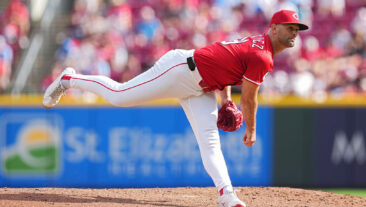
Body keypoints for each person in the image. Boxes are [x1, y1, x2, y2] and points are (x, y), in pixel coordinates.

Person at [43, 10, 308, 207]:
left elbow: (228, 70)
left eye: (297, 29)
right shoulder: (262, 55)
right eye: (289, 27)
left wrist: (226, 100)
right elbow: (249, 99)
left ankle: (227, 194)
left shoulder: (256, 44)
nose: (294, 33)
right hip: (180, 70)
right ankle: (69, 79)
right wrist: (251, 130)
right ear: (274, 28)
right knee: (120, 96)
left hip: (202, 87)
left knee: (210, 143)